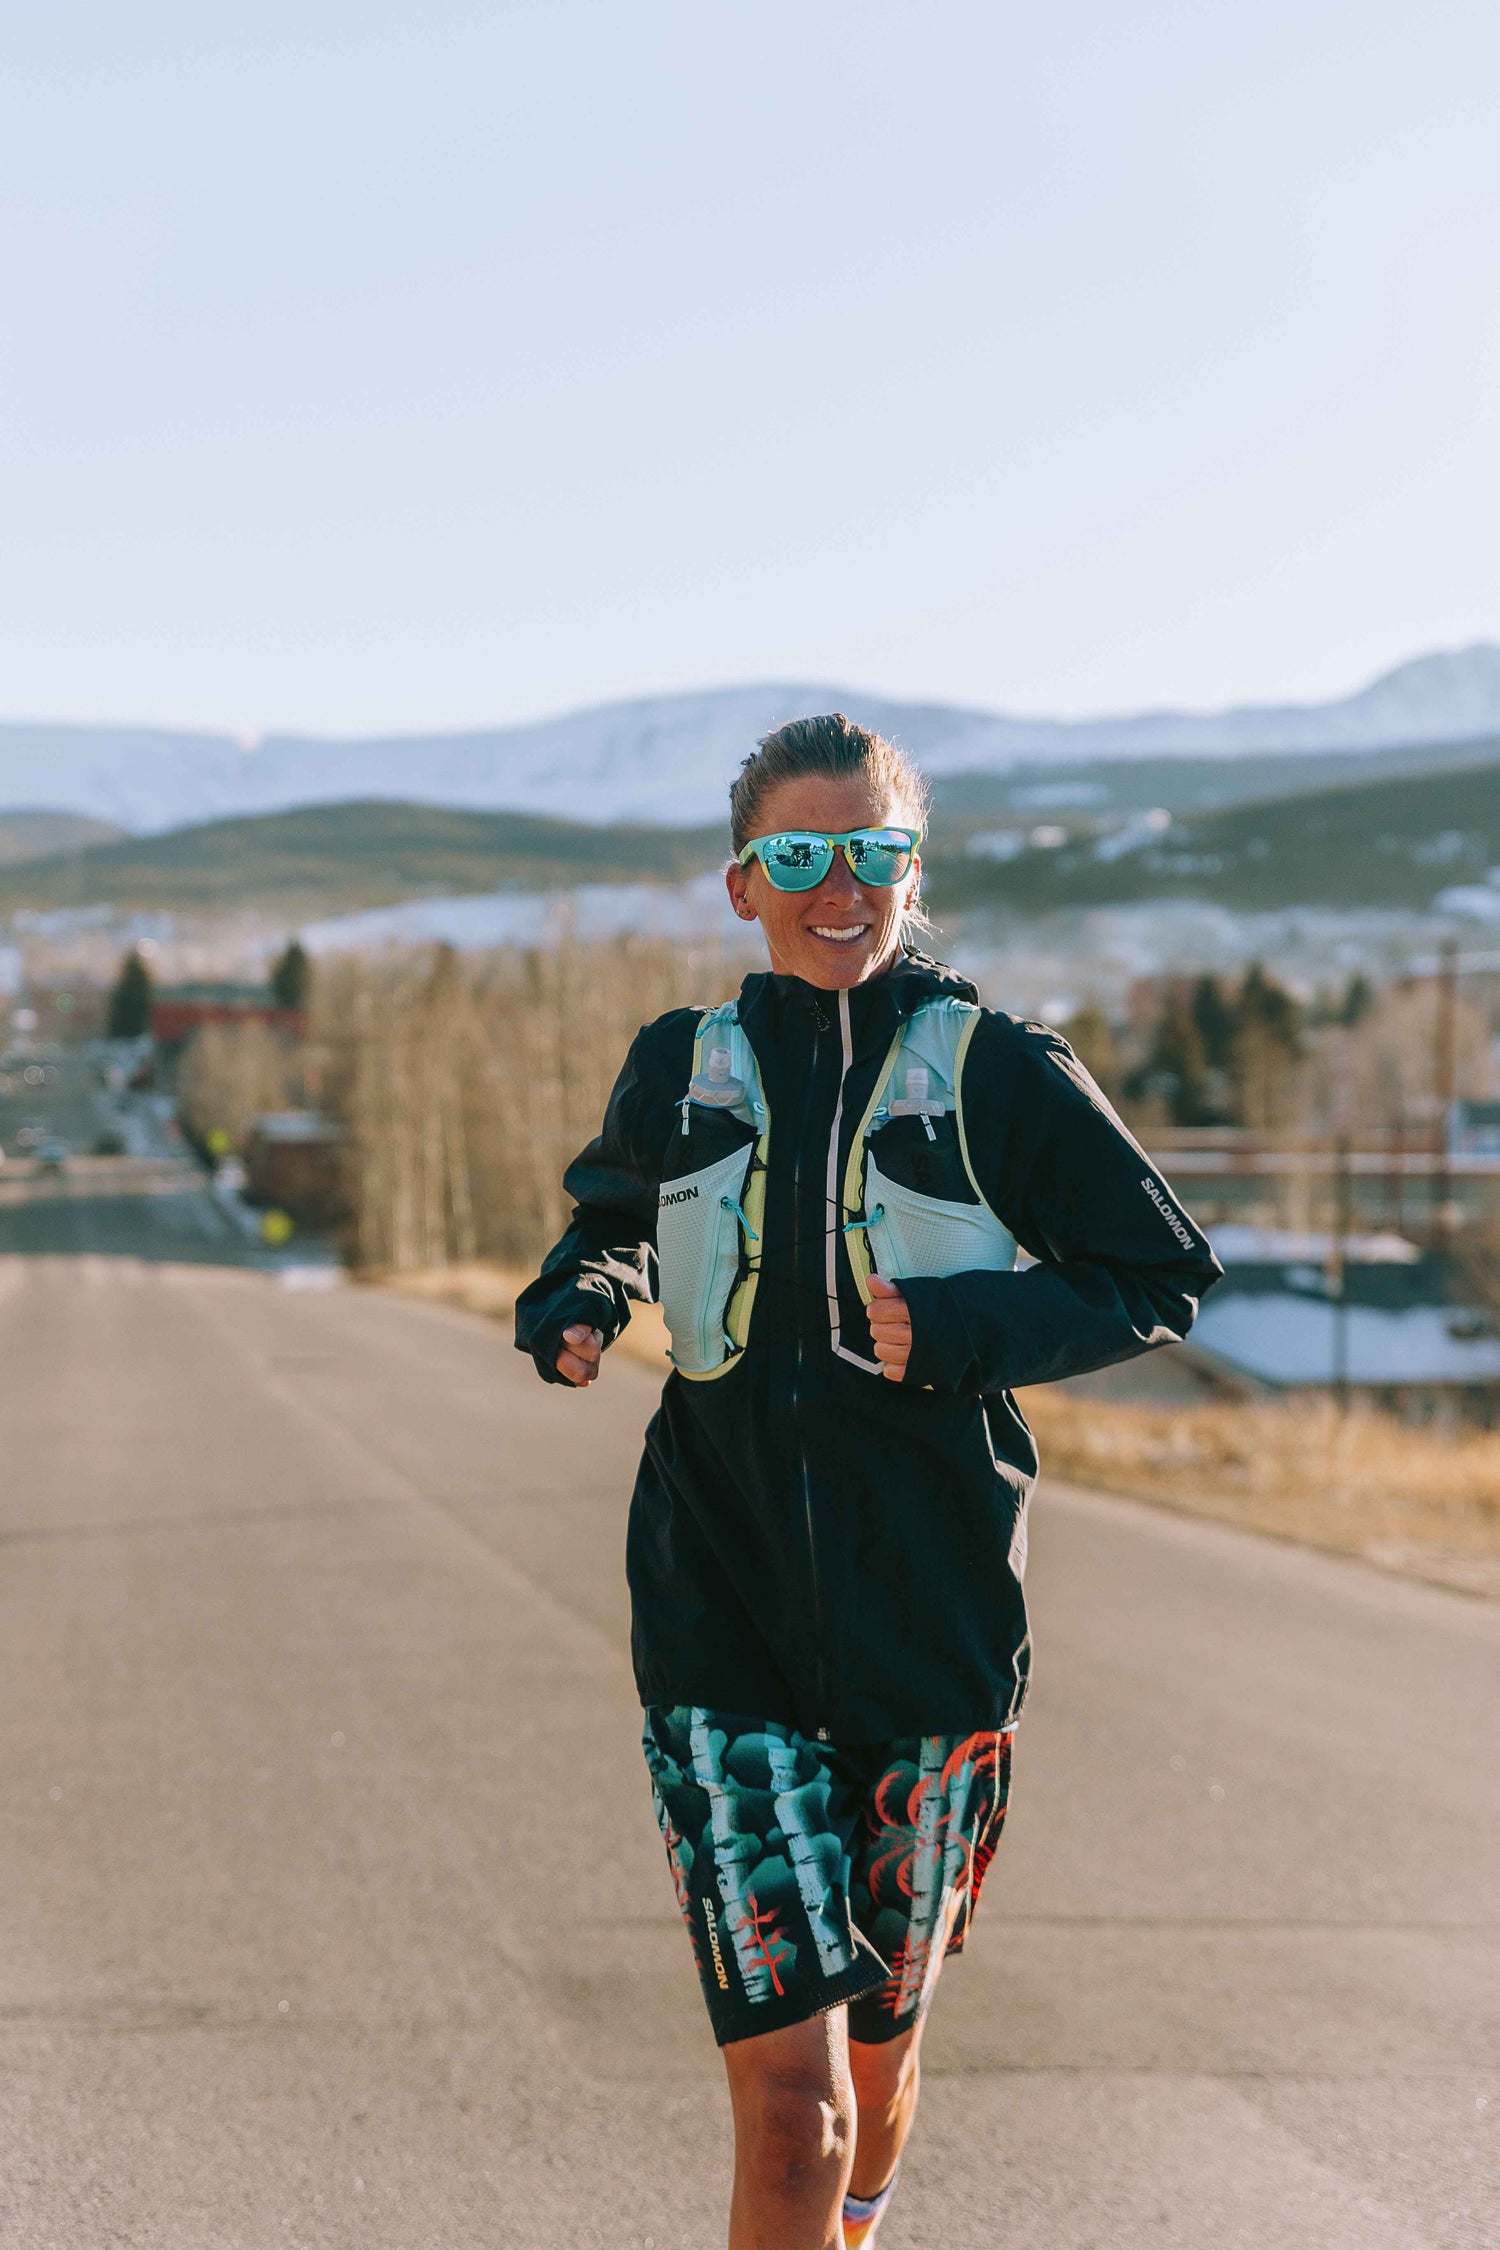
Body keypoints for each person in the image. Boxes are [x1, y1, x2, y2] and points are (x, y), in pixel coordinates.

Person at [515, 713, 1220, 2250]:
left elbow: (1159, 1270)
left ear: (915, 870)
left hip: (933, 1639)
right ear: (742, 883)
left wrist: (968, 1328)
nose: (840, 888)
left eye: (874, 853)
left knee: (879, 2072)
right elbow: (613, 1219)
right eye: (800, 855)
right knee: (795, 2114)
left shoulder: (997, 1070)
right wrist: (580, 1293)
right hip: (720, 1624)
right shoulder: (683, 1065)